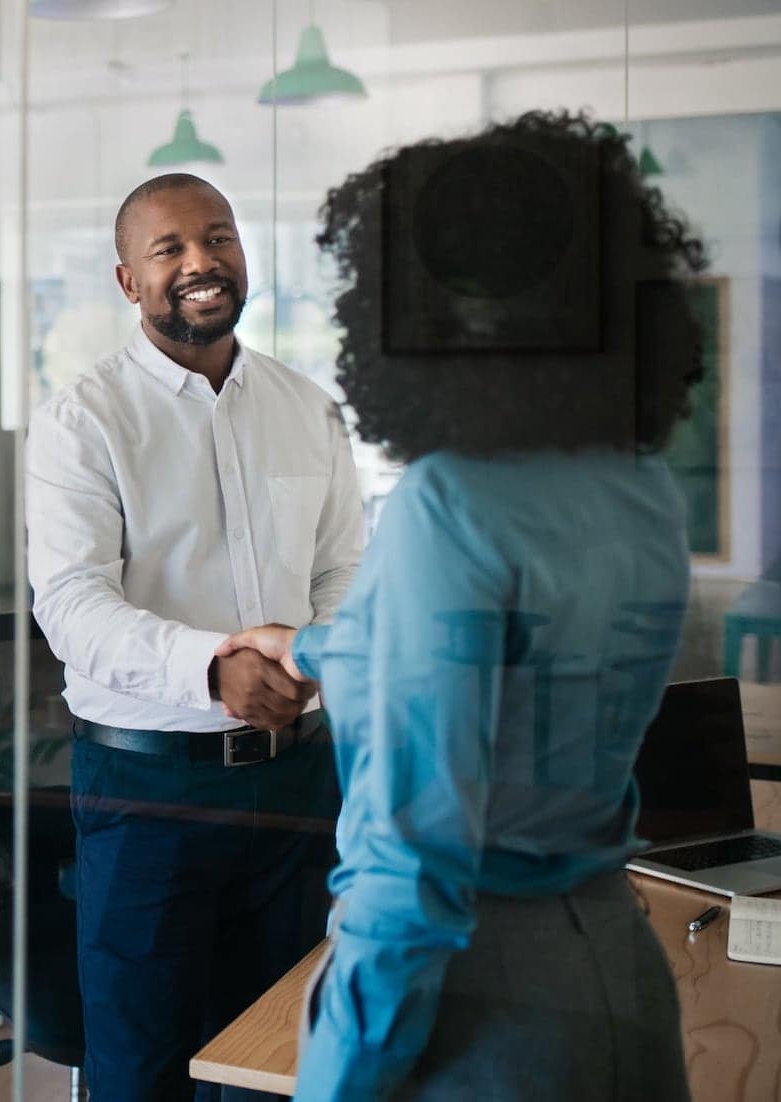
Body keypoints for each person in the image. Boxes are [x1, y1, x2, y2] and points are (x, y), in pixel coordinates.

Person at [217, 111, 705, 1100]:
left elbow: (410, 867)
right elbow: (521, 666)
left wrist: (336, 1078)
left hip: (485, 1007)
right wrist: (314, 646)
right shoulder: (639, 486)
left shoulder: (450, 504)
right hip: (620, 968)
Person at [25, 172, 364, 1101]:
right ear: (129, 281)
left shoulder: (309, 407)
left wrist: (306, 655)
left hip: (298, 781)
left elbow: (346, 572)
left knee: (284, 1059)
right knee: (143, 1074)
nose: (201, 262)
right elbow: (71, 604)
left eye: (217, 238)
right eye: (169, 248)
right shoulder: (82, 422)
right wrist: (214, 671)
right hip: (149, 795)